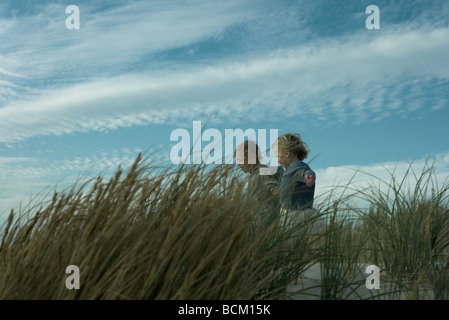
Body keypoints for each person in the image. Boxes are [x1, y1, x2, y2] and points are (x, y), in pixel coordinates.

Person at [271, 133, 324, 233]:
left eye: (278, 157)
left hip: (295, 216)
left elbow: (304, 172)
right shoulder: (291, 169)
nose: (278, 161)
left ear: (287, 153)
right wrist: (280, 193)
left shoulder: (297, 167)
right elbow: (291, 189)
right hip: (306, 214)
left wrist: (309, 176)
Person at [234, 140, 283, 226]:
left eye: (240, 160)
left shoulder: (262, 172)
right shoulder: (254, 174)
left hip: (265, 223)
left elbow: (277, 190)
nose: (238, 164)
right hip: (257, 222)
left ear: (252, 157)